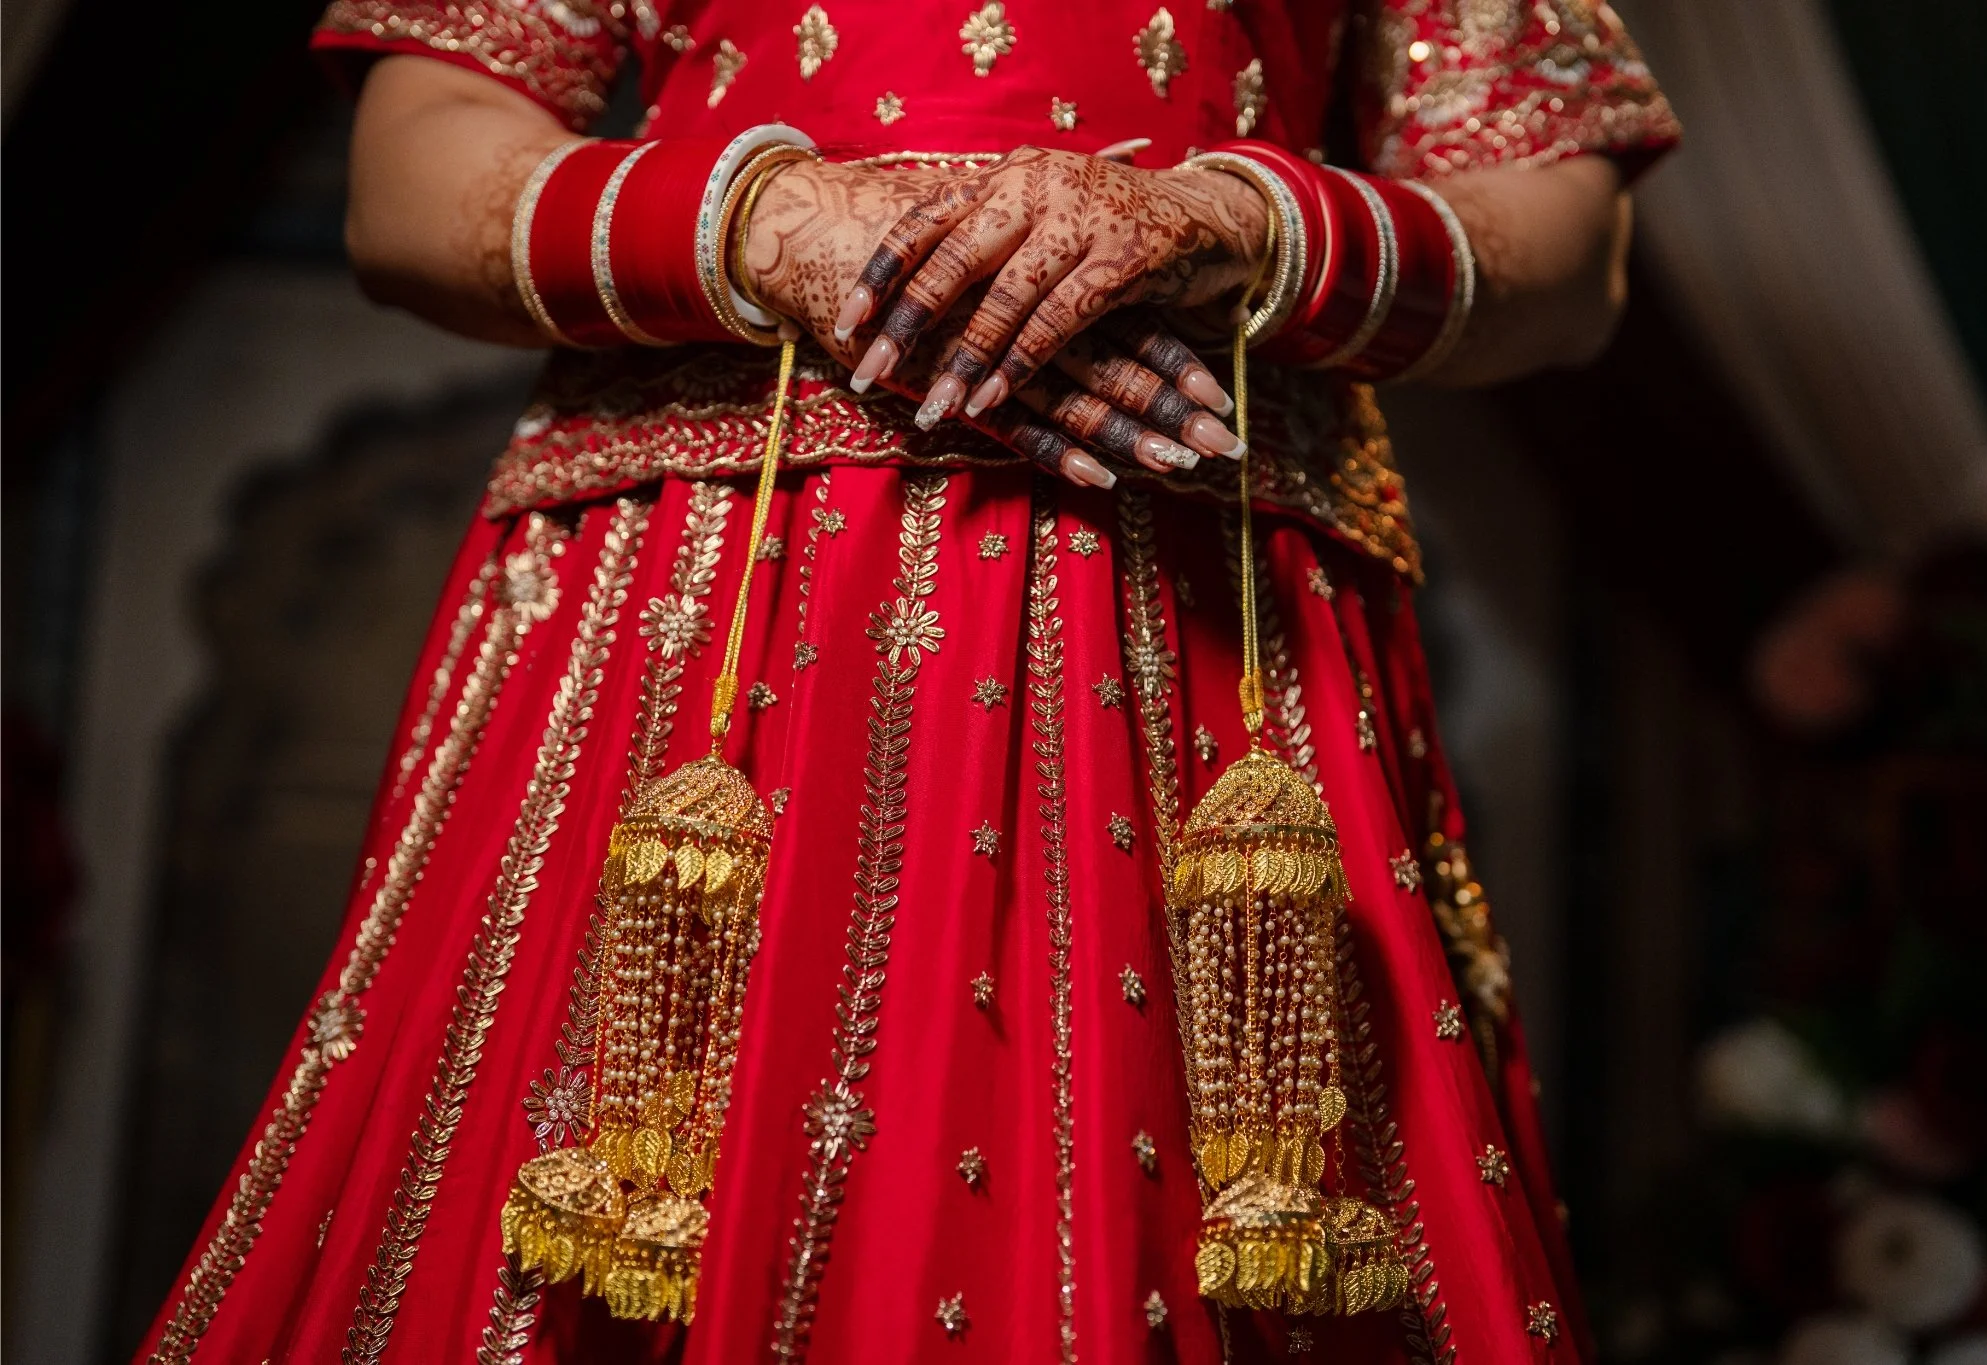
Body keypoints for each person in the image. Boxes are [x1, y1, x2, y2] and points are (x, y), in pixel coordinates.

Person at [139, 2, 1676, 1361]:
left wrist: (1236, 226)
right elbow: (411, 177)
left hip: (1201, 615)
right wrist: (769, 227)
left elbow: (1566, 238)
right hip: (719, 613)